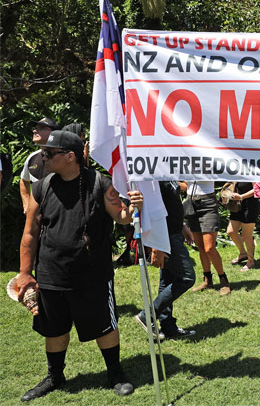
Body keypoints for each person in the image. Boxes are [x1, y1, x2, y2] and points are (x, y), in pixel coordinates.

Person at [16, 130, 143, 401]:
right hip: (51, 273)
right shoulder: (43, 186)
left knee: (104, 327)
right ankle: (55, 376)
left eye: (49, 154)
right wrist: (25, 273)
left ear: (70, 157)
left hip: (92, 274)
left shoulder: (99, 183)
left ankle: (115, 373)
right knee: (54, 329)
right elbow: (30, 232)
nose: (43, 158)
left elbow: (120, 216)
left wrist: (132, 209)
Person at [134, 181, 196, 340]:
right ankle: (148, 315)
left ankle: (168, 327)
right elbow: (154, 212)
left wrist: (182, 225)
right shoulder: (154, 177)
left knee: (167, 280)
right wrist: (157, 247)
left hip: (174, 233)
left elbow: (169, 205)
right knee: (187, 277)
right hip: (166, 237)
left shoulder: (166, 171)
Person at [183, 181, 230, 295]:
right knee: (201, 247)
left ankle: (223, 279)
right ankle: (207, 279)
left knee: (209, 247)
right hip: (191, 203)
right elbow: (186, 185)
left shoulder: (207, 163)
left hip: (207, 202)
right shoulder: (186, 164)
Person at [20, 117, 60, 214]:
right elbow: (23, 180)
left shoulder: (63, 157)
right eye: (35, 128)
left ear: (54, 133)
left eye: (41, 128)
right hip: (37, 219)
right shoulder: (32, 158)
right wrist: (27, 204)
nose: (34, 131)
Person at [223, 182, 260, 271]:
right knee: (230, 231)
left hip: (250, 205)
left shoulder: (252, 171)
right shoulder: (236, 172)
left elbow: (257, 189)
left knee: (246, 235)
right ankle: (243, 254)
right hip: (236, 205)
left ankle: (251, 261)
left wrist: (241, 196)